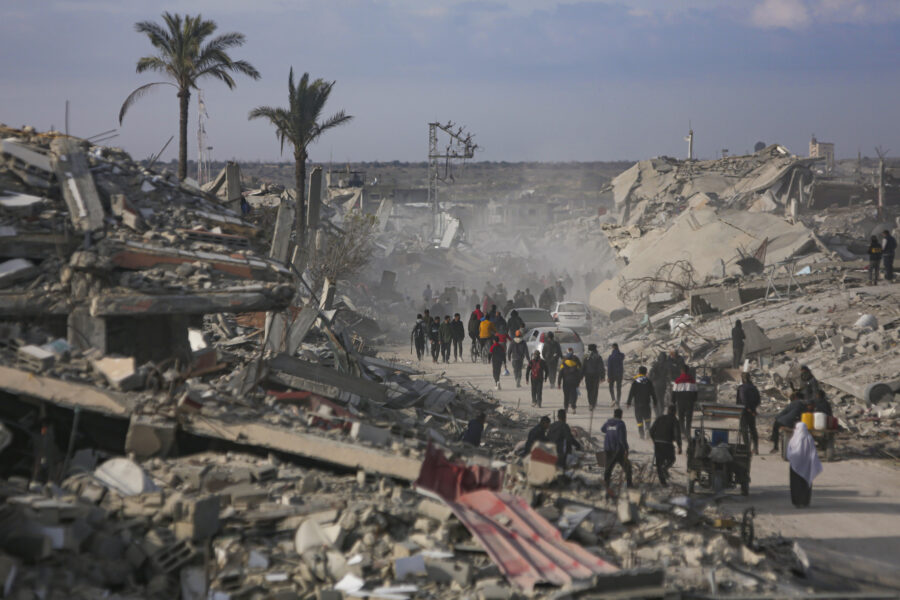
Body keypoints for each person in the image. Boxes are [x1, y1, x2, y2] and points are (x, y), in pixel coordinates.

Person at [786, 422, 823, 507]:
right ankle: (805, 501)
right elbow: (813, 452)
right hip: (807, 465)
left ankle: (797, 502)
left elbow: (789, 452)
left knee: (795, 484)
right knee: (805, 483)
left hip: (795, 466)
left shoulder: (794, 439)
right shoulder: (809, 438)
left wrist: (792, 458)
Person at [649, 404, 682, 486]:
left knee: (659, 463)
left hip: (657, 443)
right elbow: (677, 434)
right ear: (675, 412)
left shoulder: (660, 418)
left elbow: (651, 430)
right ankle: (665, 468)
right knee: (671, 459)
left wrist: (654, 440)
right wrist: (679, 446)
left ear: (667, 411)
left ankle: (663, 482)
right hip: (667, 443)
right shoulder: (675, 420)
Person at [601, 408, 633, 489]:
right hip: (618, 450)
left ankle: (606, 483)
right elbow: (622, 438)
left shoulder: (608, 422)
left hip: (608, 448)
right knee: (627, 467)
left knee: (608, 467)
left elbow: (603, 429)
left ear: (614, 414)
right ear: (621, 415)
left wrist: (610, 432)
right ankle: (629, 484)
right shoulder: (621, 424)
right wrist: (626, 448)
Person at [626, 366, 657, 439]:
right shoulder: (649, 382)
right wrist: (655, 402)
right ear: (646, 373)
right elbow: (653, 393)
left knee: (639, 419)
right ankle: (647, 429)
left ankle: (641, 433)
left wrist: (628, 402)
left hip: (638, 404)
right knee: (647, 418)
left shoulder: (635, 382)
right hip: (646, 403)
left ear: (639, 372)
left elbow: (631, 393)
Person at [736, 372, 761, 454]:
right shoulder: (754, 388)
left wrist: (748, 409)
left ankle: (747, 448)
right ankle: (755, 448)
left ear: (743, 379)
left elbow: (743, 401)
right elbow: (758, 400)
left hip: (744, 412)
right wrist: (753, 410)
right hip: (752, 412)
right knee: (753, 429)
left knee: (744, 430)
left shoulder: (742, 388)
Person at [672, 365, 698, 439]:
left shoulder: (677, 381)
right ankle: (688, 433)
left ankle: (682, 432)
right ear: (688, 371)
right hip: (689, 401)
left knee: (681, 417)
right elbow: (696, 392)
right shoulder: (692, 381)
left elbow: (674, 392)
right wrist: (694, 400)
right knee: (689, 418)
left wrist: (673, 401)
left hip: (680, 401)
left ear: (682, 371)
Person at [582, 343, 606, 411]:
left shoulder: (586, 356)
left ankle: (590, 403)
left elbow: (583, 367)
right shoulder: (598, 356)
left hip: (588, 375)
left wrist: (581, 376)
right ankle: (593, 403)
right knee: (595, 390)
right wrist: (602, 376)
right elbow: (601, 367)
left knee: (589, 390)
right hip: (596, 376)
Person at [559, 349, 583, 414]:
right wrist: (578, 381)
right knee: (574, 395)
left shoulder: (564, 363)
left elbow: (560, 374)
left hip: (566, 383)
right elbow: (579, 373)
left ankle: (566, 408)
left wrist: (559, 383)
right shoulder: (576, 363)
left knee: (566, 396)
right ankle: (573, 407)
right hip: (574, 382)